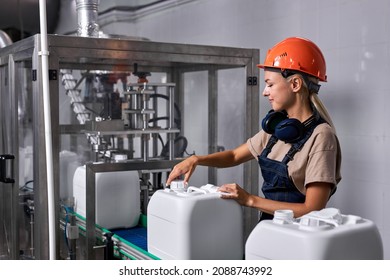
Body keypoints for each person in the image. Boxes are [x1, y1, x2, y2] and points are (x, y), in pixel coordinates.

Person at [166, 37, 341, 221]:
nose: (265, 91)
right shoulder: (277, 129)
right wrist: (196, 159)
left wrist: (249, 199)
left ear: (295, 84)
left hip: (299, 237)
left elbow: (312, 208)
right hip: (269, 228)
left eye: (270, 84)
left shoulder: (321, 136)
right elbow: (234, 156)